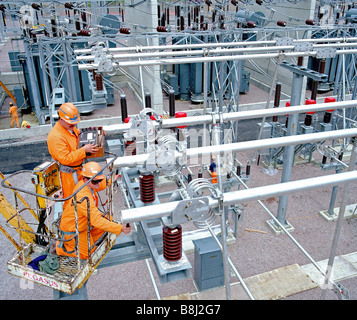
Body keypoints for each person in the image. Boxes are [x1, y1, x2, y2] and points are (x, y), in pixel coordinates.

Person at [56, 162, 131, 260]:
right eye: (96, 181)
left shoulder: (87, 184)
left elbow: (99, 184)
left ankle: (88, 241)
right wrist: (120, 228)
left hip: (83, 223)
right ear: (86, 179)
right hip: (72, 229)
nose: (98, 183)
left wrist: (110, 180)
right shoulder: (82, 196)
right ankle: (59, 248)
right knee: (88, 254)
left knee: (108, 219)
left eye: (100, 180)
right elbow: (96, 221)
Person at [47, 102, 98, 208]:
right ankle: (73, 223)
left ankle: (88, 219)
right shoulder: (56, 136)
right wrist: (83, 150)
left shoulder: (69, 128)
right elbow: (65, 159)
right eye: (71, 123)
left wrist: (96, 134)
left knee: (86, 196)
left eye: (74, 123)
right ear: (61, 119)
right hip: (68, 176)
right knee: (73, 202)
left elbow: (77, 135)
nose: (73, 125)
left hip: (78, 170)